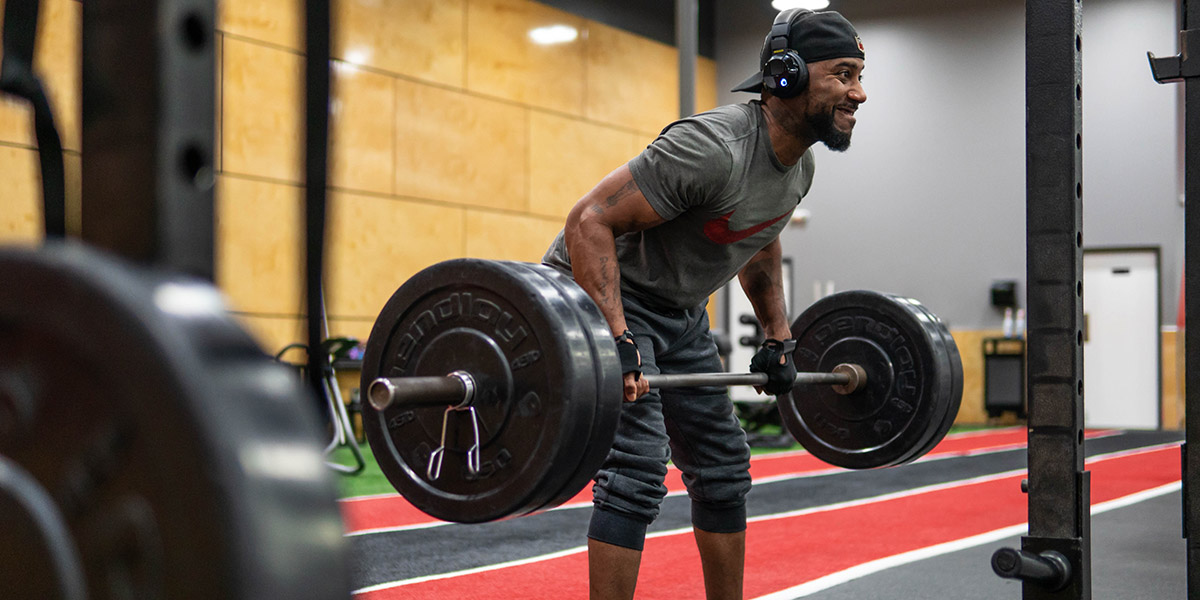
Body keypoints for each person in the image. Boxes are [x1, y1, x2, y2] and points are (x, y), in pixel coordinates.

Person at [542, 9, 867, 600]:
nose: (859, 93)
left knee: (722, 466)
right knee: (638, 467)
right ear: (787, 76)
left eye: (859, 76)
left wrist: (778, 334)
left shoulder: (799, 165)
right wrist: (616, 338)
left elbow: (759, 235)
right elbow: (587, 221)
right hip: (606, 299)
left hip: (682, 313)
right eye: (843, 74)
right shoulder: (713, 147)